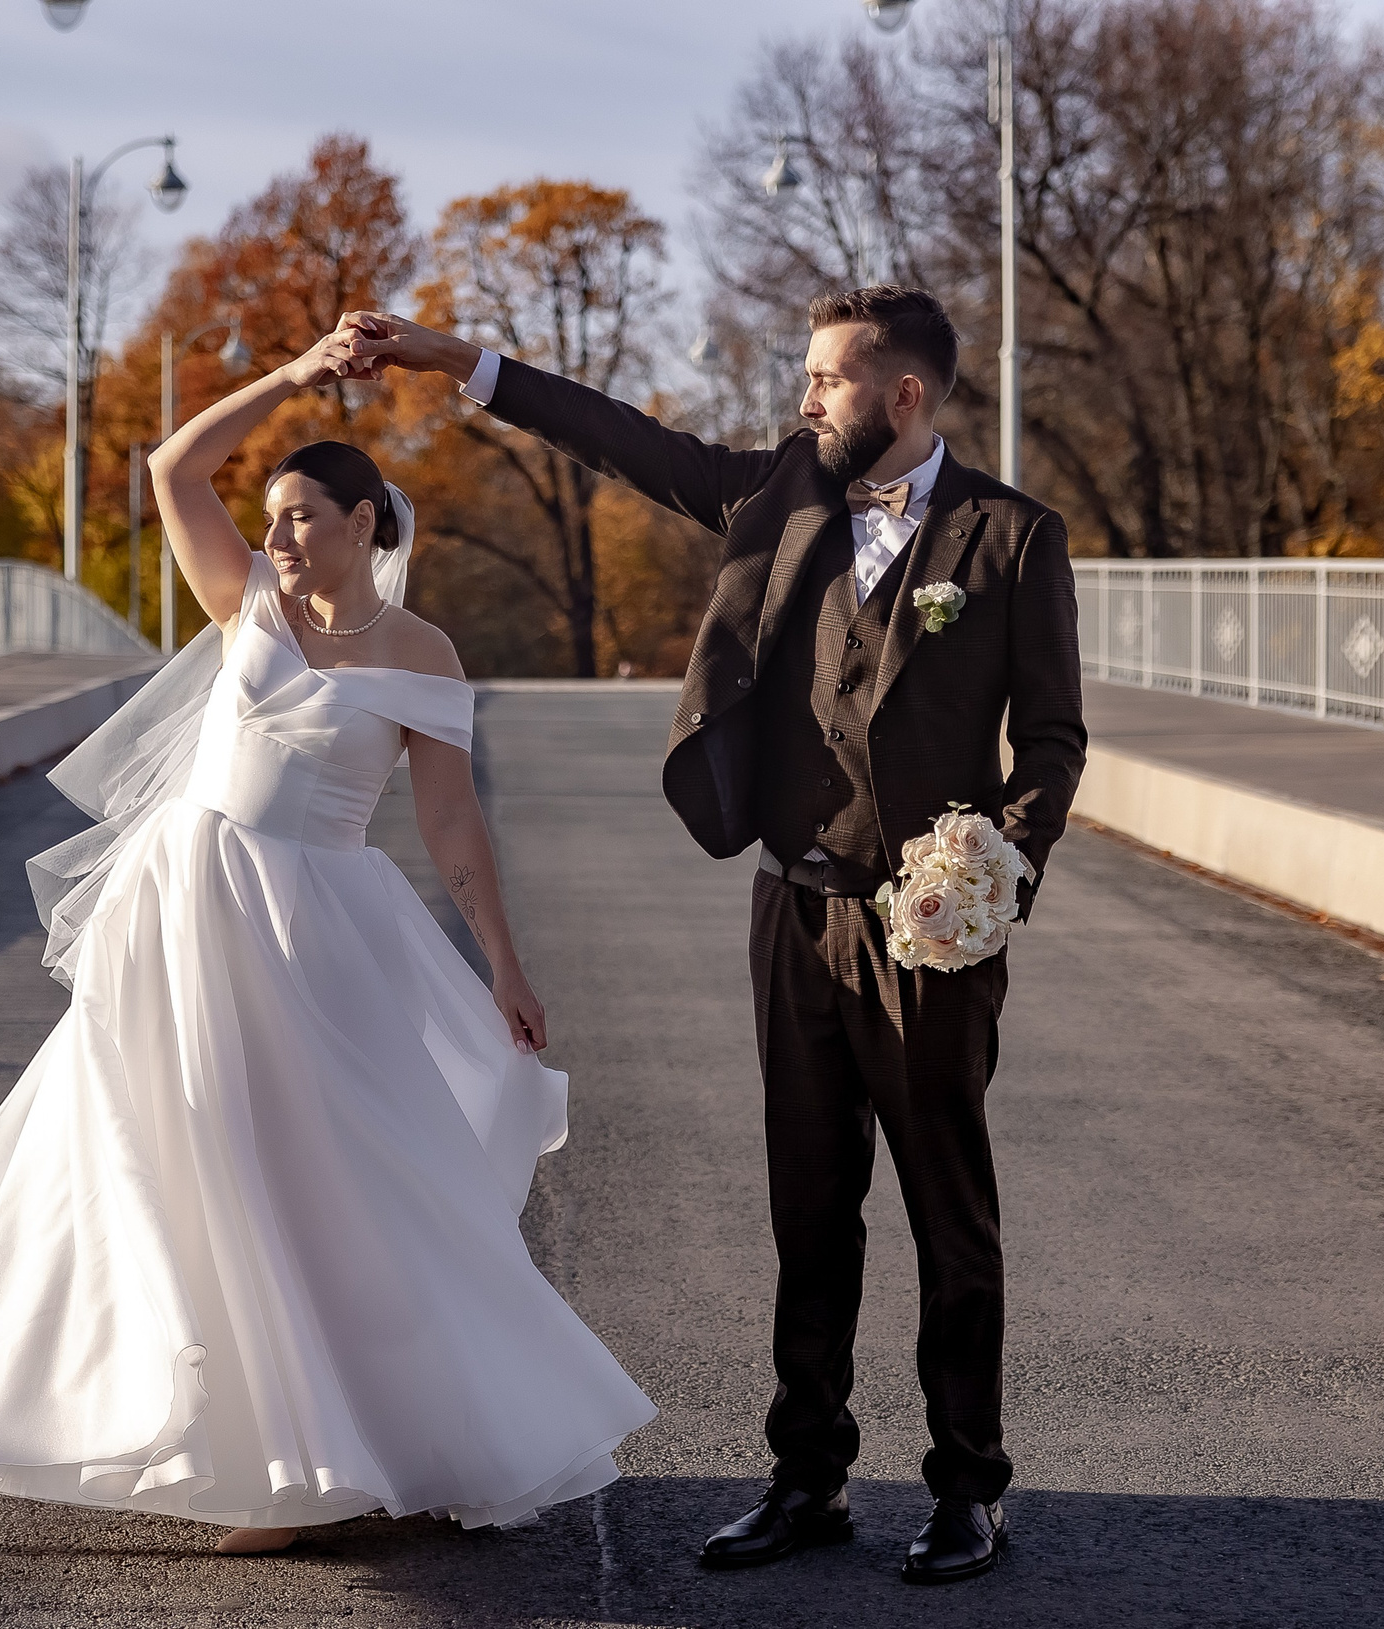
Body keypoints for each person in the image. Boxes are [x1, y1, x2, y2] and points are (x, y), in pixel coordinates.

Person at [0, 328, 654, 1557]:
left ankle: (338, 1452)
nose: (279, 537)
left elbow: (451, 826)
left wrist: (505, 967)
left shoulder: (424, 659)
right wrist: (297, 373)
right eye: (271, 517)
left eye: (305, 516)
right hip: (182, 908)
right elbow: (171, 467)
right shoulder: (245, 601)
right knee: (161, 1152)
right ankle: (226, 1437)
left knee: (312, 1175)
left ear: (368, 521)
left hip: (314, 926)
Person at [340, 286, 1086, 1585]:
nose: (805, 398)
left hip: (933, 936)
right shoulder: (783, 496)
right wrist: (456, 358)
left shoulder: (1012, 539)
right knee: (810, 1204)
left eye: (829, 380)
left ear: (903, 395)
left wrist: (991, 873)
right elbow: (628, 440)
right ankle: (808, 1477)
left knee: (947, 1208)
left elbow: (1055, 743)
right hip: (793, 907)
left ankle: (970, 1485)